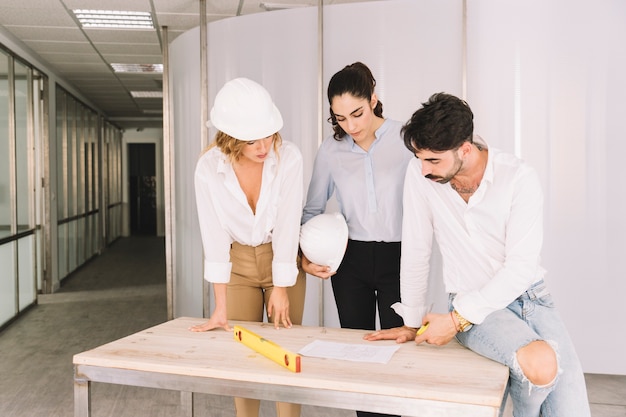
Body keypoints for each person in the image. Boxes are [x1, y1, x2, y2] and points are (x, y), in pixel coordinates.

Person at [365, 92, 591, 417]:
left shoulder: (518, 178)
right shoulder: (420, 176)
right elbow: (416, 250)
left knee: (573, 412)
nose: (423, 169)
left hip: (532, 298)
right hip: (476, 306)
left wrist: (455, 321)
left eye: (433, 160)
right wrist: (413, 322)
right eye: (419, 158)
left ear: (465, 150)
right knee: (539, 364)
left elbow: (521, 268)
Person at [301, 62, 413, 417]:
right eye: (340, 119)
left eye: (357, 114)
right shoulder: (331, 151)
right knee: (359, 352)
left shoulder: (407, 139)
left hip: (401, 256)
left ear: (374, 100)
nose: (351, 126)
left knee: (399, 350)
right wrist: (306, 257)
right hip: (350, 261)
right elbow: (312, 210)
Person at [190, 77, 306, 417]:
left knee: (284, 350)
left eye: (268, 134)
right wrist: (220, 305)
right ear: (229, 137)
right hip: (237, 262)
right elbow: (213, 238)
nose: (263, 146)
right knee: (245, 354)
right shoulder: (208, 168)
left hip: (281, 258)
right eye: (252, 139)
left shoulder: (290, 158)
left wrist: (281, 288)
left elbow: (287, 226)